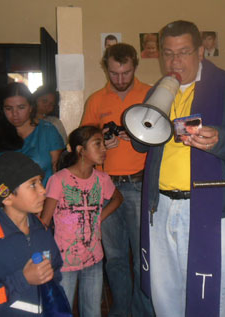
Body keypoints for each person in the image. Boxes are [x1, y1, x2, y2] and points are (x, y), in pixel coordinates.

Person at [132, 20, 225, 317]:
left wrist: (221, 138)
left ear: (201, 51)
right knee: (163, 289)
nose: (174, 61)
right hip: (160, 205)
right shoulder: (159, 89)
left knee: (210, 292)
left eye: (183, 52)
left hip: (207, 206)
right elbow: (142, 143)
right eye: (168, 53)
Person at [81, 43, 154, 316]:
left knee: (142, 258)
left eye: (125, 73)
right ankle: (122, 311)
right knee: (115, 257)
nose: (120, 80)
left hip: (140, 183)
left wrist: (139, 139)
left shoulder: (150, 94)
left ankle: (142, 312)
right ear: (106, 68)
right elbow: (82, 142)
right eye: (114, 73)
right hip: (106, 186)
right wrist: (101, 143)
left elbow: (164, 138)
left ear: (135, 66)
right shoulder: (96, 100)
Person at [0, 151, 64, 316]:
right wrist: (23, 280)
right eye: (32, 184)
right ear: (6, 197)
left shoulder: (41, 230)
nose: (43, 190)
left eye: (40, 182)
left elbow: (56, 269)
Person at [41, 126, 122, 316]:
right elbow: (45, 220)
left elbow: (118, 199)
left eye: (103, 144)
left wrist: (100, 217)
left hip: (94, 257)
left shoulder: (102, 179)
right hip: (65, 260)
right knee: (63, 309)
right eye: (97, 144)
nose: (104, 149)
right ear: (80, 150)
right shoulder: (59, 180)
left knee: (92, 311)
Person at [0, 82, 64, 186]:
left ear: (31, 107)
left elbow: (57, 170)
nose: (15, 113)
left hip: (43, 197)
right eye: (8, 108)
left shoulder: (47, 131)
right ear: (2, 109)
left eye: (21, 107)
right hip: (7, 199)